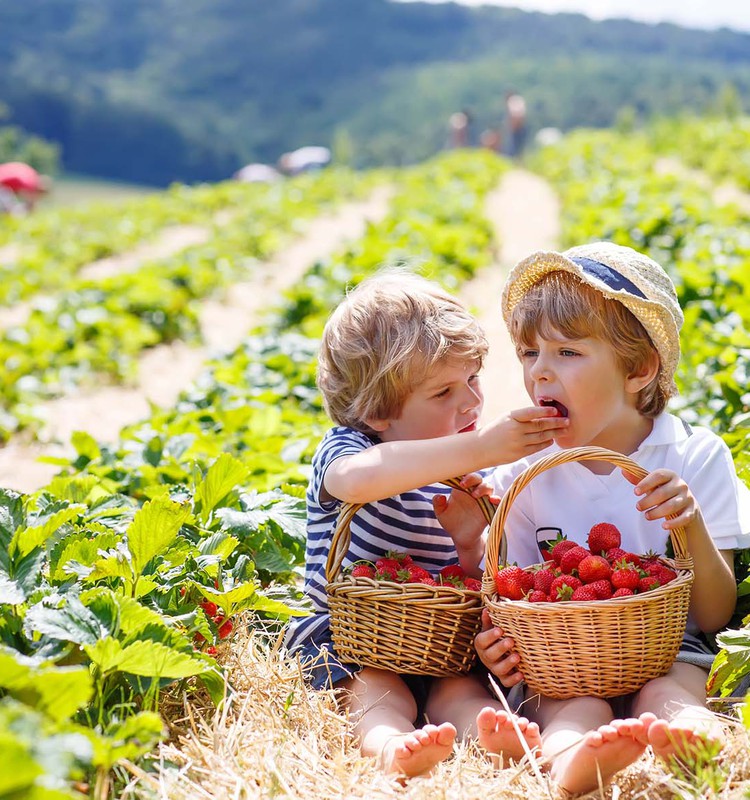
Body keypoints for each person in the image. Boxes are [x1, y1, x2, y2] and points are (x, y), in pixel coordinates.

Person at [475, 241, 750, 795]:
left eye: (568, 353)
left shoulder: (694, 459)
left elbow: (715, 616)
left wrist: (688, 522)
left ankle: (693, 742)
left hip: (670, 650)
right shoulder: (524, 476)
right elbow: (515, 599)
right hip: (564, 664)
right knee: (571, 707)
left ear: (640, 368)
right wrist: (497, 642)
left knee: (673, 691)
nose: (541, 375)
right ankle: (569, 760)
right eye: (530, 354)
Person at [284, 269, 569, 777]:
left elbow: (466, 576)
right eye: (442, 394)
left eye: (473, 379)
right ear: (377, 412)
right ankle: (390, 743)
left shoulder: (462, 472)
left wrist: (467, 542)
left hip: (435, 644)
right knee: (375, 688)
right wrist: (479, 447)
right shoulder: (351, 450)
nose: (472, 402)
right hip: (355, 638)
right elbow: (355, 481)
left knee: (458, 688)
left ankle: (486, 734)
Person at [504, 91, 527, 159]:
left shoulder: (511, 101)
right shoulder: (520, 99)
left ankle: (516, 160)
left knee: (515, 145)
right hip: (522, 125)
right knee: (521, 145)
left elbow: (513, 115)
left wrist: (511, 127)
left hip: (516, 126)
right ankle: (521, 160)